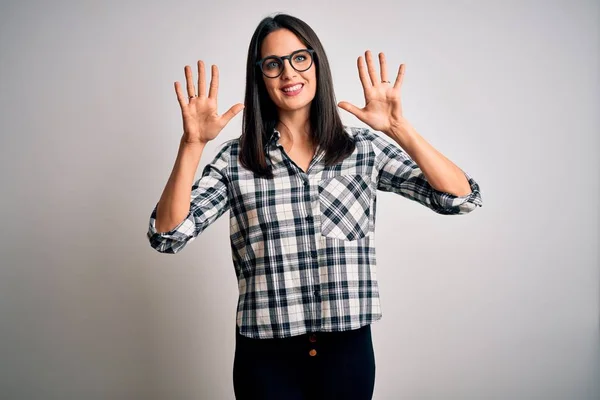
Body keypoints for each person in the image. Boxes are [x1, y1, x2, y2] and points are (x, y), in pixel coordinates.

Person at [147, 13, 483, 400]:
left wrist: (398, 129)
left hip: (347, 353)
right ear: (260, 77)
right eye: (272, 64)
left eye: (299, 58)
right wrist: (192, 145)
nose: (288, 73)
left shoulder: (362, 150)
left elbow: (461, 199)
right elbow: (168, 236)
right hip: (265, 357)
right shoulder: (236, 159)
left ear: (316, 63)